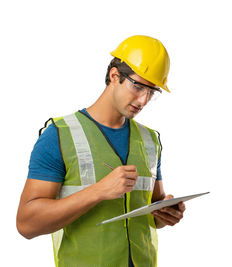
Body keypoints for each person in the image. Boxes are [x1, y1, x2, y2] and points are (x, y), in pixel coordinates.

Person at [16, 35, 185, 267]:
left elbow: (151, 208)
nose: (143, 99)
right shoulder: (59, 135)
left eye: (152, 92)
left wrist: (165, 215)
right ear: (115, 75)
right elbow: (27, 224)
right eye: (138, 86)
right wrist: (98, 191)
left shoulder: (150, 140)